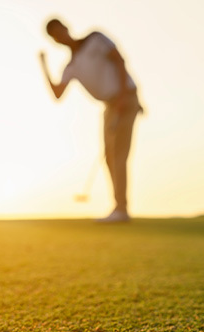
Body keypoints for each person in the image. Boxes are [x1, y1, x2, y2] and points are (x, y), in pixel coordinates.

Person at [40, 17, 142, 223]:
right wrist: (43, 65)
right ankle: (119, 207)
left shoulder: (96, 38)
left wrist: (123, 98)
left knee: (118, 153)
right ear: (54, 40)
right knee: (109, 155)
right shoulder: (72, 65)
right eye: (55, 36)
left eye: (60, 30)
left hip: (125, 98)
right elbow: (57, 94)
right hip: (110, 106)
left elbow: (119, 60)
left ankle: (121, 210)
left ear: (66, 28)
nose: (60, 36)